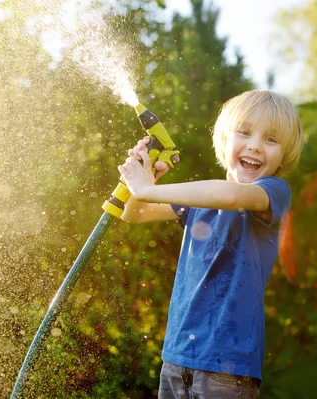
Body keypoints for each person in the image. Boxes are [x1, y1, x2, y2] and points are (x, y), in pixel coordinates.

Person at [118, 90, 304, 398]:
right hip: (177, 357)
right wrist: (144, 179)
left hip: (227, 366)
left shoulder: (273, 192)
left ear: (283, 155)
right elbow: (134, 214)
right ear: (225, 139)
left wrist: (147, 189)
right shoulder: (200, 199)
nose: (255, 145)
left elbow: (229, 196)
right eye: (244, 132)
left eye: (271, 140)